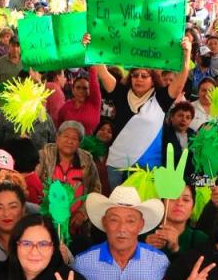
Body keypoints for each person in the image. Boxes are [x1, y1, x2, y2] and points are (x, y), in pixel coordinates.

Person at [94, 37, 191, 187]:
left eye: (144, 76)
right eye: (135, 75)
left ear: (153, 80)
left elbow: (180, 80)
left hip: (147, 167)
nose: (139, 79)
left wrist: (186, 54)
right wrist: (92, 45)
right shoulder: (121, 93)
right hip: (116, 165)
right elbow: (103, 72)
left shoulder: (161, 97)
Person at [144, 184, 209, 261]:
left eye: (186, 200)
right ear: (162, 203)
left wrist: (176, 250)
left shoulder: (200, 239)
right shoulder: (144, 235)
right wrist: (142, 249)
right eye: (173, 198)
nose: (179, 203)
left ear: (192, 207)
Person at [57, 69, 103, 135]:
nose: (81, 91)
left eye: (85, 88)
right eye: (78, 87)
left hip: (89, 143)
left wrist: (92, 67)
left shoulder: (94, 103)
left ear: (90, 90)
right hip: (69, 143)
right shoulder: (65, 107)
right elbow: (59, 128)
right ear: (73, 90)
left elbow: (94, 83)